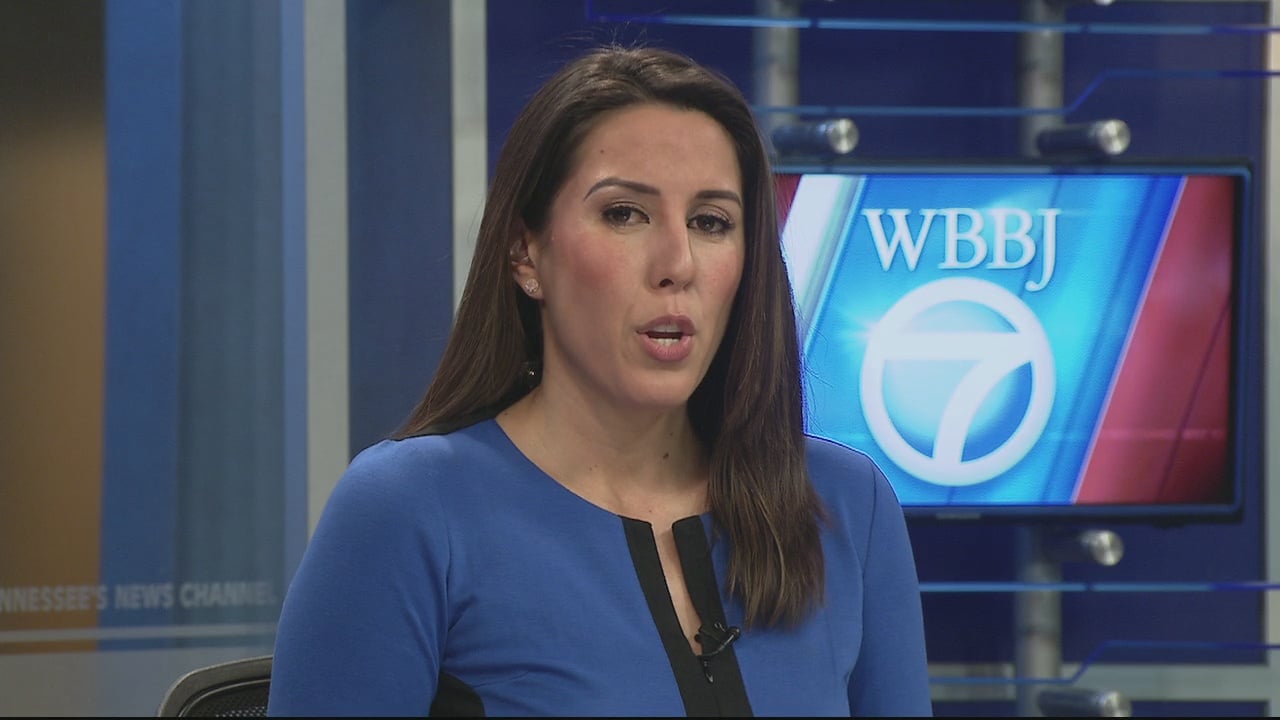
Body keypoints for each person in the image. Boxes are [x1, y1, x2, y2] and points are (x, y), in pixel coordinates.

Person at [267, 43, 932, 717]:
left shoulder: (846, 505)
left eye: (710, 222)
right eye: (624, 214)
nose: (677, 264)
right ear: (526, 253)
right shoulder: (409, 510)